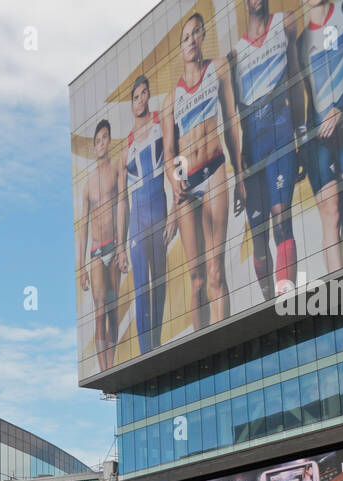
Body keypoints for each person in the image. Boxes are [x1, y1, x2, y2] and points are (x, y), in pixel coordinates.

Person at [162, 10, 246, 332]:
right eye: (186, 38)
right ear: (181, 49)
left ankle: (222, 342)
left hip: (214, 170)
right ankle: (200, 349)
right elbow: (171, 151)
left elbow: (230, 121)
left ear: (203, 36)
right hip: (188, 183)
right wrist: (175, 178)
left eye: (196, 33)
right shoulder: (172, 99)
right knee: (195, 278)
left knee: (214, 270)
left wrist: (239, 175)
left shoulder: (218, 69)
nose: (192, 40)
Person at [229, 0, 303, 298]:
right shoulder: (234, 55)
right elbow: (231, 119)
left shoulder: (285, 23)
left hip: (281, 130)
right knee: (258, 239)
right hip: (252, 146)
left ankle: (288, 303)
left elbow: (296, 79)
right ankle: (269, 305)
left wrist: (301, 133)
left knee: (282, 222)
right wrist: (237, 170)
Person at [297, 0, 343, 272]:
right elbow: (308, 95)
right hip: (319, 137)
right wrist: (304, 144)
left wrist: (340, 106)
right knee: (331, 213)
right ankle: (339, 295)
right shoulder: (302, 41)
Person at [117, 74, 172, 355]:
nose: (140, 100)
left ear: (149, 96)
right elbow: (121, 201)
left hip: (159, 208)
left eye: (143, 94)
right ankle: (144, 352)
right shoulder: (125, 147)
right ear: (131, 104)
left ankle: (157, 342)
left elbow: (174, 159)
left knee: (159, 279)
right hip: (138, 219)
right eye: (135, 97)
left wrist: (173, 212)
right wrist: (121, 246)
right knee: (141, 288)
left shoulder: (160, 123)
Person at [78, 120, 123, 371]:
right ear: (94, 148)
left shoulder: (115, 171)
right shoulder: (87, 185)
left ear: (109, 141)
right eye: (97, 141)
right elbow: (82, 228)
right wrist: (80, 267)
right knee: (100, 311)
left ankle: (113, 364)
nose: (101, 143)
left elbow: (123, 205)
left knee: (113, 311)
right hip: (96, 252)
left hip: (113, 246)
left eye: (105, 138)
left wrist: (123, 245)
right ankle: (104, 368)